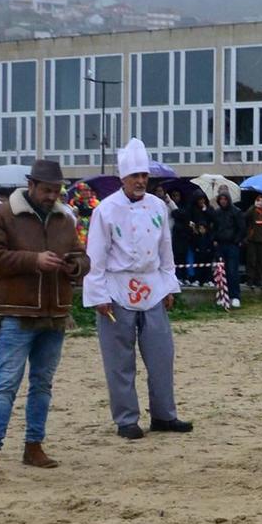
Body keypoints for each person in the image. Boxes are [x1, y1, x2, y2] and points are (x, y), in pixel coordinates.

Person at [0, 158, 91, 476]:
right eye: (47, 190)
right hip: (17, 313)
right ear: (32, 185)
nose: (52, 196)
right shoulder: (2, 215)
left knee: (42, 385)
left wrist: (75, 266)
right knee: (6, 385)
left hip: (55, 314)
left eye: (56, 190)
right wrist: (33, 260)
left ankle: (33, 446)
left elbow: (81, 255)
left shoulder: (64, 220)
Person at [84, 139, 192, 439]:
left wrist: (169, 285)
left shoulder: (158, 207)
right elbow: (96, 255)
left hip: (152, 286)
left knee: (161, 355)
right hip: (117, 288)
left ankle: (164, 415)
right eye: (135, 177)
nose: (141, 181)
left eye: (144, 176)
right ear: (123, 178)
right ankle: (126, 418)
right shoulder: (105, 210)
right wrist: (98, 295)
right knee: (119, 360)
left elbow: (165, 250)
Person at [209, 190, 245, 306]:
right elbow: (213, 227)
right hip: (220, 245)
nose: (223, 201)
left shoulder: (236, 212)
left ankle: (235, 296)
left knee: (232, 271)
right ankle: (222, 295)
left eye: (225, 199)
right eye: (221, 199)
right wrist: (214, 239)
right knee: (220, 272)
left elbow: (241, 228)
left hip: (232, 245)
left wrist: (236, 240)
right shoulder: (217, 213)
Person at [244, 194, 262, 290]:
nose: (260, 203)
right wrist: (253, 207)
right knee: (252, 260)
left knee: (261, 261)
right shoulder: (252, 211)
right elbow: (245, 217)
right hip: (252, 240)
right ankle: (250, 280)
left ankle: (259, 280)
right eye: (258, 200)